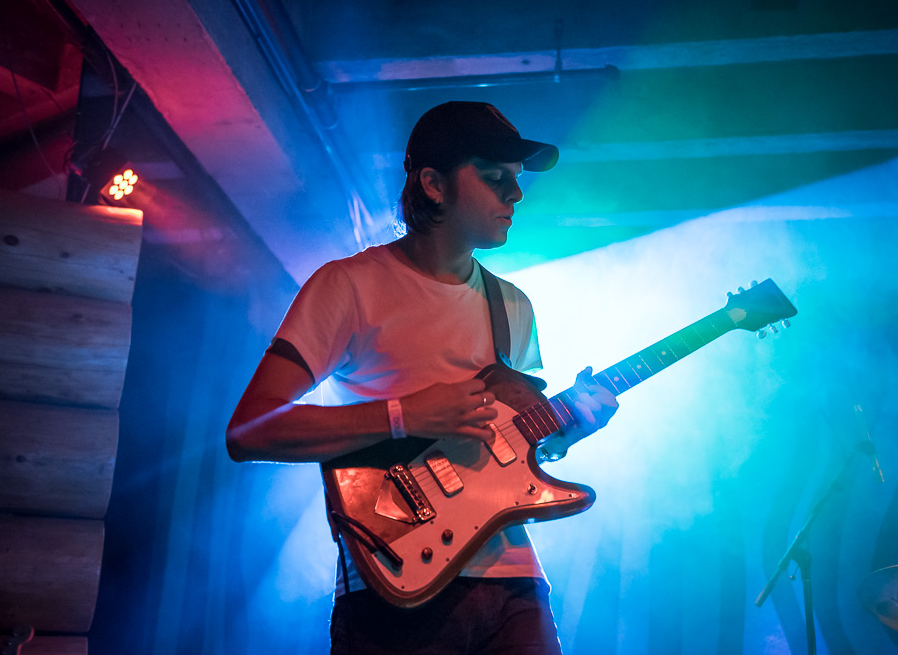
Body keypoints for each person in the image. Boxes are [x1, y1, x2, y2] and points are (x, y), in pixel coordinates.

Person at [227, 101, 619, 654]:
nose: (516, 194)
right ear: (432, 184)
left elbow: (521, 447)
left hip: (514, 583)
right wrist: (402, 415)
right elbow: (248, 430)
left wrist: (568, 429)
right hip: (396, 587)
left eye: (516, 180)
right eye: (494, 178)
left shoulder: (514, 305)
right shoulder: (348, 286)